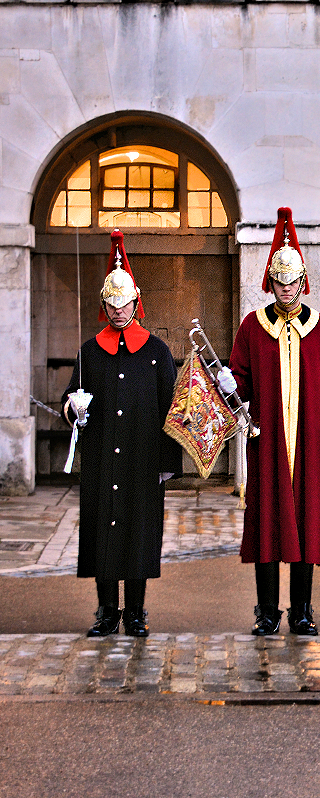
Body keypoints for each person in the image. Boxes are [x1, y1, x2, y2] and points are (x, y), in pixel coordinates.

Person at [223, 207, 320, 636]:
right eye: (279, 283)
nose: (285, 290)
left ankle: (302, 610)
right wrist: (229, 383)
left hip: (313, 444)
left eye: (292, 283)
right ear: (272, 283)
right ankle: (267, 612)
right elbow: (238, 387)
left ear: (303, 282)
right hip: (267, 443)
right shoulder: (252, 327)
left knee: (306, 521)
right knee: (267, 524)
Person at [63, 230, 182, 637]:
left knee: (137, 534)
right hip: (101, 458)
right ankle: (105, 611)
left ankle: (135, 612)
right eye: (111, 304)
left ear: (136, 302)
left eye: (124, 303)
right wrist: (73, 408)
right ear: (104, 305)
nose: (118, 311)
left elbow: (172, 409)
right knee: (103, 533)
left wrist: (168, 465)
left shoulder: (156, 351)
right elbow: (69, 399)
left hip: (142, 459)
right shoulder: (89, 351)